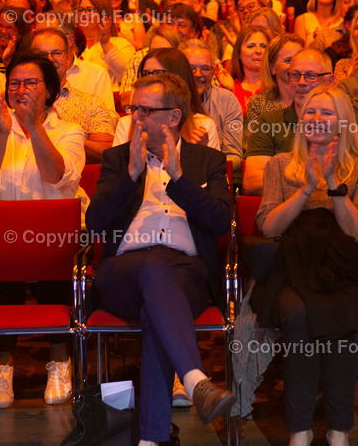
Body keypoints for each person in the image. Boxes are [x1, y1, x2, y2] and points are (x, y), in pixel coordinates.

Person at [87, 73, 236, 442]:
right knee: (154, 269)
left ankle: (150, 439)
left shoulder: (208, 160)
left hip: (186, 271)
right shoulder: (118, 158)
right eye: (133, 109)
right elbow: (95, 223)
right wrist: (131, 176)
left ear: (174, 116)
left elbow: (221, 222)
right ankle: (195, 380)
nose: (136, 117)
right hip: (124, 271)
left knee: (158, 313)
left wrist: (179, 179)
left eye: (145, 110)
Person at [254, 85, 358, 446]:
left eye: (326, 112)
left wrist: (334, 184)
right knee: (297, 315)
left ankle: (339, 429)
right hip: (290, 266)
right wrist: (306, 189)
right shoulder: (279, 165)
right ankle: (300, 429)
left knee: (344, 310)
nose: (316, 119)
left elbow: (357, 232)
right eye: (310, 111)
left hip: (344, 265)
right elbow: (269, 227)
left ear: (344, 122)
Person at [0, 52, 87, 408]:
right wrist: (4, 132)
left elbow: (55, 175)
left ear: (49, 90)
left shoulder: (69, 130)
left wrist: (34, 127)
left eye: (30, 83)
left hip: (53, 238)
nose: (20, 90)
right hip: (2, 239)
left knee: (55, 264)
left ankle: (60, 362)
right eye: (14, 83)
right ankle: (2, 367)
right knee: (4, 269)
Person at [243, 49, 335, 195]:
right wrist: (313, 186)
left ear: (330, 80)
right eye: (295, 75)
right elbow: (253, 183)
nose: (301, 82)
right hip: (286, 208)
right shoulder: (268, 122)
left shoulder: (349, 122)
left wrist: (287, 180)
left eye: (311, 76)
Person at [30, 27, 115, 163]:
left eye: (56, 53)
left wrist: (65, 133)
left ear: (68, 58)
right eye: (42, 54)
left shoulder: (91, 104)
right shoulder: (16, 100)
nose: (50, 59)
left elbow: (107, 152)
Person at [113, 48, 220, 152]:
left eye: (158, 73)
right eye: (146, 74)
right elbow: (117, 162)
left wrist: (199, 152)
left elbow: (212, 163)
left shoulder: (203, 125)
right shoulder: (127, 124)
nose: (151, 80)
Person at [184, 39, 244, 173]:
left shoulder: (227, 101)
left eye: (205, 68)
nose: (198, 74)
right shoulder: (168, 101)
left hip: (214, 176)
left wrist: (207, 160)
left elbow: (234, 157)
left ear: (213, 72)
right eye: (191, 68)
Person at [217, 26, 269, 114]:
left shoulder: (278, 87)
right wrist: (231, 92)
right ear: (239, 54)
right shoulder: (226, 88)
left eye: (263, 46)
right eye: (251, 46)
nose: (258, 51)